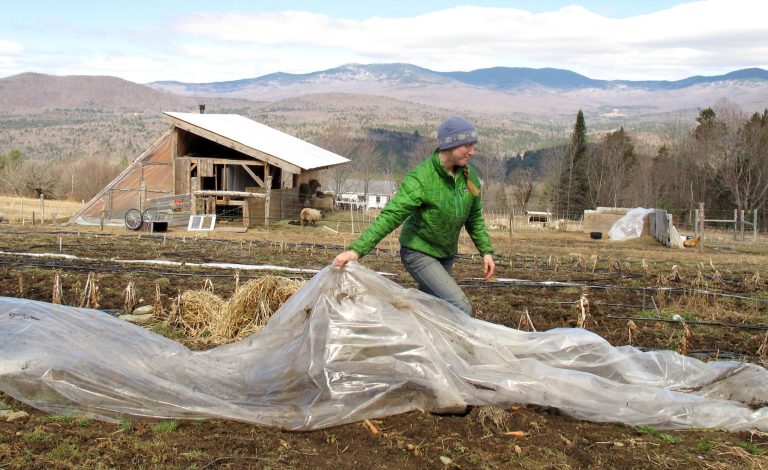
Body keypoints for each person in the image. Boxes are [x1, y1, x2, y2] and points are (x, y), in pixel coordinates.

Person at [333, 117, 495, 316]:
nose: (472, 152)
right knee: (460, 307)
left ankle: (414, 332)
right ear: (450, 144)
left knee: (432, 308)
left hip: (446, 254)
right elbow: (391, 216)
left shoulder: (468, 176)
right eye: (467, 145)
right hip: (419, 252)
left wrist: (486, 251)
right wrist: (356, 251)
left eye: (474, 146)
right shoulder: (421, 178)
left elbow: (474, 217)